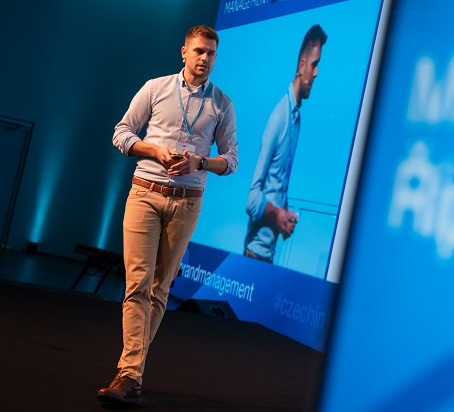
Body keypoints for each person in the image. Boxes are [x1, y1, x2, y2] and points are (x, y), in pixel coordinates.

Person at [98, 25, 238, 404]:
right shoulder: (156, 88)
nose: (204, 58)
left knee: (159, 290)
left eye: (211, 53)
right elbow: (121, 133)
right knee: (138, 284)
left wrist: (201, 162)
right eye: (198, 51)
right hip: (145, 193)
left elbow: (231, 160)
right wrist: (154, 150)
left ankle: (129, 375)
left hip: (187, 201)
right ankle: (130, 375)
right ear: (184, 52)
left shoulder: (221, 104)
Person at [243, 24, 327, 263]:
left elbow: (276, 186)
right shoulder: (279, 117)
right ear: (301, 66)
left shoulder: (295, 118)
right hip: (253, 258)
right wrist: (276, 215)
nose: (316, 73)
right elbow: (252, 199)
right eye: (314, 65)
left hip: (267, 256)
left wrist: (285, 216)